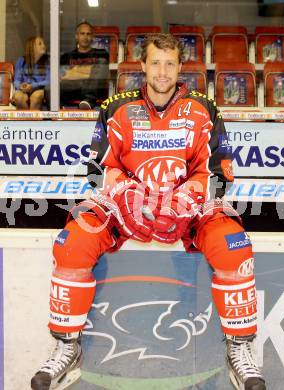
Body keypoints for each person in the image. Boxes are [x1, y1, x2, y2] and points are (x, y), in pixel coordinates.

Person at [31, 33, 266, 390]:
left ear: (180, 68)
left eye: (170, 63)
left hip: (188, 208)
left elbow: (222, 173)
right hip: (127, 208)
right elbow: (95, 172)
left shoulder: (203, 108)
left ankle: (239, 350)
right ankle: (67, 345)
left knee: (234, 244)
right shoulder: (116, 106)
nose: (162, 71)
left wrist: (192, 193)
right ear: (142, 66)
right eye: (155, 62)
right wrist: (125, 191)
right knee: (72, 242)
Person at [60, 21, 109, 110]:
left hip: (94, 90)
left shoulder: (101, 54)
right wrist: (90, 72)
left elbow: (102, 75)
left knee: (102, 63)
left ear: (92, 37)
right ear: (76, 36)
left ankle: (89, 100)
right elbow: (63, 77)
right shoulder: (66, 56)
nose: (85, 37)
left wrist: (74, 72)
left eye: (88, 34)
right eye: (82, 33)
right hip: (72, 91)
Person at [13, 36, 49, 110]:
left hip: (40, 89)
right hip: (24, 89)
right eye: (40, 44)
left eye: (43, 43)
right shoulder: (22, 60)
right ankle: (24, 120)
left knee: (36, 96)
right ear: (32, 47)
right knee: (17, 97)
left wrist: (33, 86)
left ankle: (34, 121)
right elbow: (16, 80)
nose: (44, 46)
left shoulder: (48, 61)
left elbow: (49, 81)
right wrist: (20, 86)